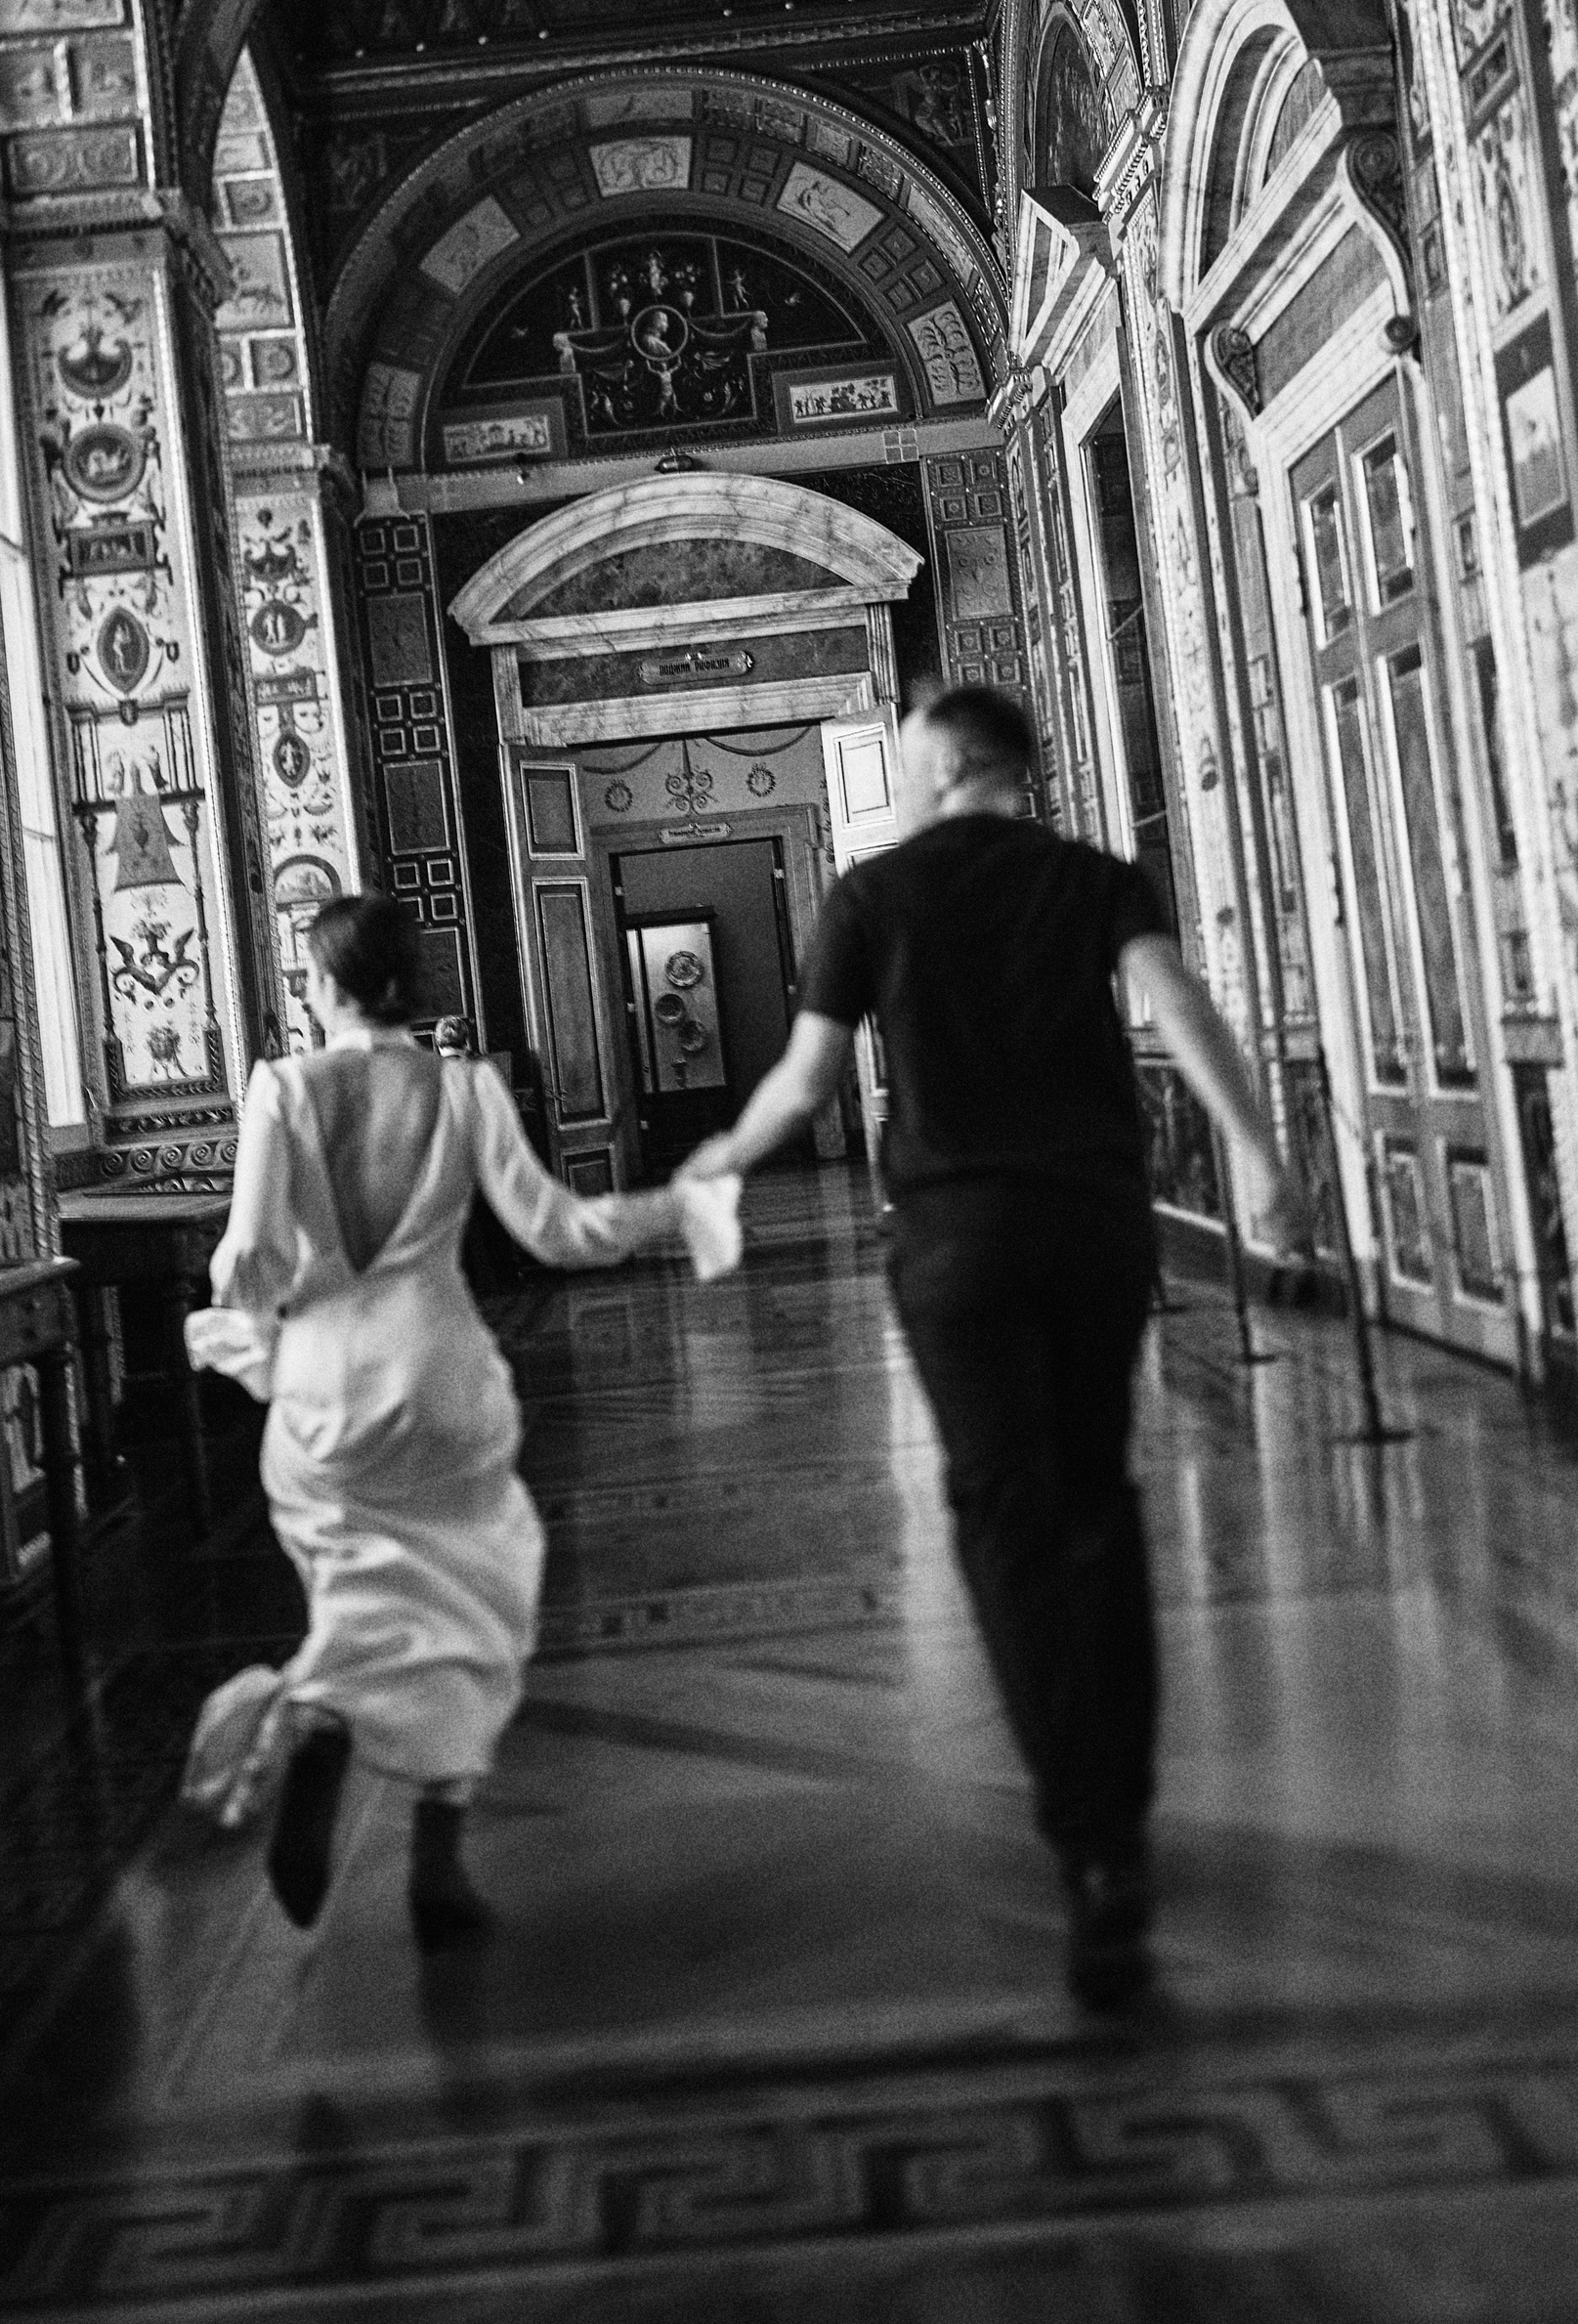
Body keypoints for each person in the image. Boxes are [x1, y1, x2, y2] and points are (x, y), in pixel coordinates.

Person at [679, 683, 1302, 2007]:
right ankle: (1119, 1816)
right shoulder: (1096, 879)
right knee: (1096, 1499)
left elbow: (805, 1081)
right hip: (1093, 1230)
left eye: (911, 759)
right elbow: (1179, 1009)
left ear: (950, 762)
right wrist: (1259, 1158)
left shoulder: (872, 895)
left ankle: (1084, 1835)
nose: (903, 778)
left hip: (957, 1244)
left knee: (1003, 1516)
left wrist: (718, 1159)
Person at [179, 894, 738, 1946]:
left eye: (309, 974)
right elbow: (558, 1231)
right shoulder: (466, 1087)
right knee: (473, 1597)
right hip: (440, 1376)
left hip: (322, 1385)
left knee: (355, 1587)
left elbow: (248, 1257)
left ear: (328, 983)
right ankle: (438, 1860)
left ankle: (320, 1713)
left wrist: (248, 1336)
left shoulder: (282, 1089)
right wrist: (680, 1205)